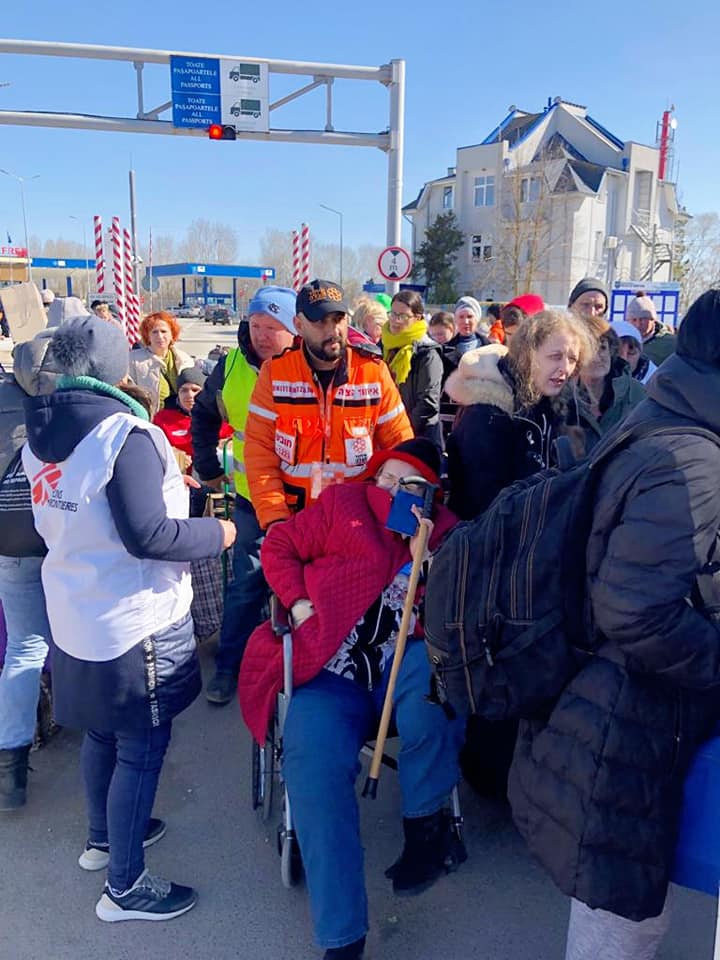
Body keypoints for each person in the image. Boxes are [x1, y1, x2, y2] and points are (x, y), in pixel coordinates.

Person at [508, 288, 720, 960]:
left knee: (622, 908)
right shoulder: (695, 458)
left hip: (613, 702)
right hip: (632, 718)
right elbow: (636, 609)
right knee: (620, 915)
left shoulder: (663, 414)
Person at [22, 316, 236, 921]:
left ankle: (104, 839)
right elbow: (150, 535)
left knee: (101, 732)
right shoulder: (125, 433)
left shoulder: (40, 433)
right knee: (141, 745)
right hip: (132, 619)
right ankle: (124, 885)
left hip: (76, 609)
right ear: (117, 368)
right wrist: (218, 533)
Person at [239, 438, 466, 960]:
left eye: (407, 485)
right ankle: (343, 935)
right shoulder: (344, 504)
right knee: (313, 762)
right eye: (386, 478)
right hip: (331, 668)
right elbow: (278, 547)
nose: (391, 490)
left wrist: (429, 561)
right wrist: (298, 603)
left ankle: (425, 827)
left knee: (434, 690)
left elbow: (461, 609)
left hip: (404, 665)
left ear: (430, 495)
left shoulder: (448, 535)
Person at [191, 286, 297, 704]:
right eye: (256, 325)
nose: (262, 335)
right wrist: (207, 466)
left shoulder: (308, 365)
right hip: (253, 497)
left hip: (304, 499)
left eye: (273, 327)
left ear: (295, 328)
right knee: (246, 583)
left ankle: (307, 670)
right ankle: (228, 668)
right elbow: (203, 413)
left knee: (304, 586)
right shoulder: (231, 364)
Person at [244, 278, 413, 532]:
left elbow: (402, 449)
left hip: (360, 523)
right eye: (320, 322)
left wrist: (401, 525)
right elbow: (260, 455)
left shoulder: (373, 373)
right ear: (299, 325)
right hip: (295, 523)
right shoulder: (275, 374)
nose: (333, 330)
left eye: (338, 319)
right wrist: (275, 521)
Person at [445, 309, 593, 521]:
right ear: (527, 354)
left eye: (572, 359)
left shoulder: (556, 403)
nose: (565, 368)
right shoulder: (486, 413)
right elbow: (484, 503)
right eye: (555, 357)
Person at [0, 330, 59, 810]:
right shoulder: (69, 400)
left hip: (10, 538)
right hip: (62, 534)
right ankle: (97, 735)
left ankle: (11, 767)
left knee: (22, 647)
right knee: (85, 635)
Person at [381, 289, 443, 446]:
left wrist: (402, 430)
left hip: (419, 437)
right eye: (393, 314)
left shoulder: (427, 353)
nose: (396, 321)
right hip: (388, 435)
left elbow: (428, 402)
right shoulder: (383, 345)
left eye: (403, 316)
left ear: (417, 318)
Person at [576, 328, 646, 451]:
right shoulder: (557, 395)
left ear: (611, 351)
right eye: (587, 349)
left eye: (602, 348)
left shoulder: (639, 394)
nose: (596, 357)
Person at [153, 367, 232, 467]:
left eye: (195, 390)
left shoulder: (220, 416)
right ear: (178, 393)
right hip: (180, 472)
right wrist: (173, 455)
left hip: (215, 470)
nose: (190, 395)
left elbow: (236, 438)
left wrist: (227, 444)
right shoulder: (162, 419)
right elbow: (155, 448)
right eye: (184, 390)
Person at [128, 311, 194, 415]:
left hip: (180, 418)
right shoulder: (133, 360)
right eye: (154, 332)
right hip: (149, 418)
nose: (160, 336)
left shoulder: (184, 359)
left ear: (172, 334)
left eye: (164, 331)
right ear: (147, 336)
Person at [626, 292, 677, 366]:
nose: (638, 324)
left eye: (643, 319)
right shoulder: (622, 342)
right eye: (634, 320)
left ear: (653, 320)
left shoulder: (671, 343)